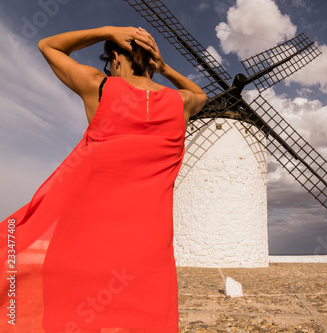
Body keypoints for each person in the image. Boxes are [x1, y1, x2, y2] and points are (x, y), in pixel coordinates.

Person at [0, 26, 206, 333]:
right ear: (150, 62)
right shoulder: (182, 103)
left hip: (82, 239)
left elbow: (48, 45)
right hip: (148, 246)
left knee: (71, 317)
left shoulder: (99, 87)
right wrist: (163, 68)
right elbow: (201, 94)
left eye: (110, 63)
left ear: (117, 58)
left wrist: (106, 30)